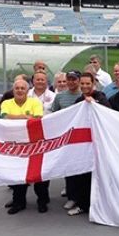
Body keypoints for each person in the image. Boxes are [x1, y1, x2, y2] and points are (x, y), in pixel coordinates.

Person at [0, 79, 49, 214]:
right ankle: (18, 202)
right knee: (17, 174)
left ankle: (42, 201)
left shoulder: (35, 102)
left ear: (28, 91)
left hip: (34, 143)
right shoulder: (6, 103)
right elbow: (3, 117)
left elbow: (37, 119)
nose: (20, 90)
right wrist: (25, 117)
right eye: (17, 88)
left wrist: (15, 118)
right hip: (16, 145)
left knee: (39, 174)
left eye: (23, 88)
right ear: (13, 90)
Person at [67, 73, 110, 216]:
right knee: (82, 175)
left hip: (98, 144)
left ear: (93, 84)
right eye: (83, 84)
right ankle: (83, 204)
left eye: (88, 83)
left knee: (96, 175)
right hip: (83, 144)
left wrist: (95, 104)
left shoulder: (101, 96)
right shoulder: (79, 100)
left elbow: (108, 113)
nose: (85, 86)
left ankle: (96, 204)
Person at [51, 70, 83, 210]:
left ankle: (82, 197)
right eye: (69, 79)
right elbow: (54, 115)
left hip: (82, 137)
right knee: (69, 169)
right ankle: (72, 197)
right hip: (66, 138)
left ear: (79, 80)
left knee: (82, 169)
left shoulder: (84, 95)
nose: (71, 82)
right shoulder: (60, 97)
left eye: (74, 79)